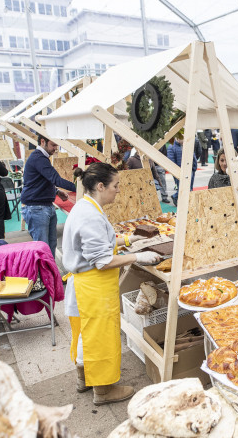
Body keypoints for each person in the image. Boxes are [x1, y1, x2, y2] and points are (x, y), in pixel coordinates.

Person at [63, 163, 161, 406]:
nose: (118, 190)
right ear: (100, 186)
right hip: (94, 287)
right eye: (115, 186)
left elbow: (99, 245)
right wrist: (138, 256)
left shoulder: (85, 207)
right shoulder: (90, 215)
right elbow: (102, 261)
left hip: (84, 284)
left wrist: (129, 238)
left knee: (86, 335)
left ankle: (83, 377)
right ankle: (104, 389)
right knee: (101, 337)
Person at [21, 135, 77, 254]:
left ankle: (49, 272)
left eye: (56, 145)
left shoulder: (41, 158)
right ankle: (43, 272)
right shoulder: (39, 158)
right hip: (37, 208)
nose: (55, 148)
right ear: (42, 141)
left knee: (51, 244)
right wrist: (80, 187)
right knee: (42, 248)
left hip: (43, 206)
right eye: (53, 144)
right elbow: (56, 179)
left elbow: (42, 179)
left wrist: (56, 191)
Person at [167, 136, 197, 205]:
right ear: (177, 139)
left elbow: (193, 156)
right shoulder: (171, 147)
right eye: (182, 139)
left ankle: (187, 202)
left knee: (189, 187)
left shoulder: (187, 145)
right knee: (182, 188)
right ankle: (176, 197)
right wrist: (176, 172)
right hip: (179, 172)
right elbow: (171, 162)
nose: (183, 140)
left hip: (190, 169)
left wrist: (194, 167)